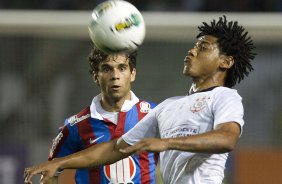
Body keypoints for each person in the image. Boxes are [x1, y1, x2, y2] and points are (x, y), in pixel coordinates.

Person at [24, 15, 256, 184]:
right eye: (194, 45)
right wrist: (59, 163)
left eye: (202, 47)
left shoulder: (225, 97)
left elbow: (226, 138)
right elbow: (116, 148)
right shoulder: (168, 106)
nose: (192, 51)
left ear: (225, 62)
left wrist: (167, 143)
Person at [42, 48, 158, 184]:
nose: (115, 75)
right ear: (96, 77)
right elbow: (50, 171)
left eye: (122, 68)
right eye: (107, 69)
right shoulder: (75, 126)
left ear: (132, 74)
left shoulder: (154, 114)